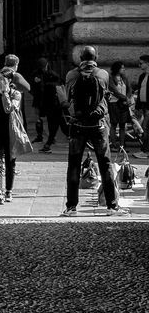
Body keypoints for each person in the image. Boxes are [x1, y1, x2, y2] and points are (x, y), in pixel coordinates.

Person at [61, 46, 128, 216]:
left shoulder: (71, 75)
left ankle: (71, 207)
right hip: (98, 125)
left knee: (74, 165)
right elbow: (106, 96)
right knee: (105, 165)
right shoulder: (103, 74)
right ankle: (112, 206)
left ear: (80, 57)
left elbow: (68, 98)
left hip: (77, 125)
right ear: (95, 57)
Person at [0, 69, 23, 205]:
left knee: (10, 162)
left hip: (10, 133)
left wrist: (5, 94)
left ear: (9, 80)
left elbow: (9, 109)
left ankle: (9, 190)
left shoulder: (16, 95)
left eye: (2, 79)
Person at [31, 58, 62, 150]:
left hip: (50, 101)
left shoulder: (52, 74)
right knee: (39, 118)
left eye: (44, 67)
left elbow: (59, 83)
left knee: (51, 120)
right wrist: (35, 82)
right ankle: (40, 136)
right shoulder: (36, 74)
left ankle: (51, 139)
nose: (43, 69)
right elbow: (31, 85)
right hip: (39, 99)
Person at [132, 54, 149, 157]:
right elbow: (140, 93)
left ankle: (145, 151)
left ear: (148, 63)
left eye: (141, 63)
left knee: (146, 128)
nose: (139, 65)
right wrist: (138, 106)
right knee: (145, 128)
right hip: (144, 106)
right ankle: (145, 150)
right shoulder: (142, 76)